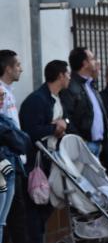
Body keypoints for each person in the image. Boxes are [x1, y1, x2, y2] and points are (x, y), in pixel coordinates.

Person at [19, 60, 71, 243]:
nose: (69, 78)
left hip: (53, 157)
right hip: (38, 162)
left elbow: (62, 121)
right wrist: (53, 129)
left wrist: (62, 126)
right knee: (37, 204)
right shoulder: (36, 100)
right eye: (68, 74)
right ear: (60, 76)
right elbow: (29, 131)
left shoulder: (57, 98)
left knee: (48, 203)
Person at [0, 50, 29, 243]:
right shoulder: (1, 92)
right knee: (10, 215)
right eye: (17, 65)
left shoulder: (7, 92)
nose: (21, 69)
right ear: (8, 68)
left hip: (14, 157)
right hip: (6, 160)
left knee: (13, 214)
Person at [61, 47, 108, 157]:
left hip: (97, 145)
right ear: (85, 63)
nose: (96, 62)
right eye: (92, 59)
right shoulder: (71, 86)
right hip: (84, 146)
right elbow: (66, 116)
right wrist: (80, 141)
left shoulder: (90, 84)